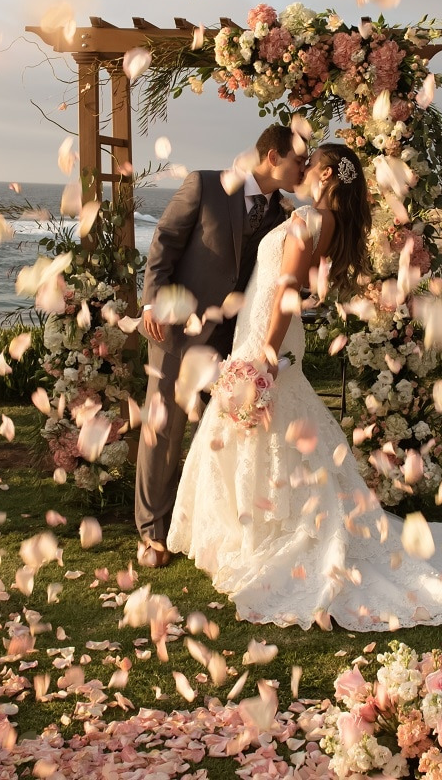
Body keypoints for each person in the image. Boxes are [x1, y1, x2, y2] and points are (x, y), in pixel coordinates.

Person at [167, 144, 442, 631]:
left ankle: (261, 532)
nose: (299, 166)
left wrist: (266, 359)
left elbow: (288, 292)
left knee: (261, 425)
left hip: (268, 336)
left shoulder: (307, 222)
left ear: (323, 173)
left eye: (307, 161)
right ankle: (249, 528)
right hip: (264, 329)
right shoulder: (323, 220)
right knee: (268, 426)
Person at [135, 124, 308, 568]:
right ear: (272, 156)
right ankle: (152, 533)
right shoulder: (205, 185)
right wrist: (152, 302)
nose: (303, 168)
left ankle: (198, 525)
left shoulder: (284, 212)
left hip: (234, 341)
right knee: (164, 427)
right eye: (298, 160)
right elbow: (165, 243)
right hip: (176, 329)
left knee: (215, 434)